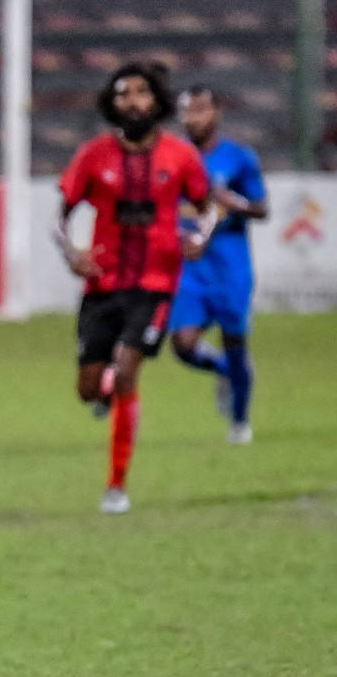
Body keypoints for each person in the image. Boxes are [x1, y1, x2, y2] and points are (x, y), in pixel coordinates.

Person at [55, 62, 211, 514]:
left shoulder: (180, 156)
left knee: (127, 372)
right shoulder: (94, 155)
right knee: (88, 388)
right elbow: (59, 214)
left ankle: (116, 486)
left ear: (158, 101)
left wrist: (200, 236)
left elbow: (207, 208)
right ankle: (101, 390)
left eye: (142, 92)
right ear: (112, 103)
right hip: (102, 285)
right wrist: (71, 252)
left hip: (155, 284)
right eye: (123, 94)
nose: (133, 101)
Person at [168, 85, 267, 444]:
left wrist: (233, 202)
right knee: (182, 344)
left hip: (230, 265)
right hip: (190, 266)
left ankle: (240, 422)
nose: (194, 119)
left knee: (235, 341)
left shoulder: (238, 158)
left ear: (216, 113)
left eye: (201, 111)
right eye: (187, 112)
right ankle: (226, 370)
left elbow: (262, 208)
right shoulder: (173, 156)